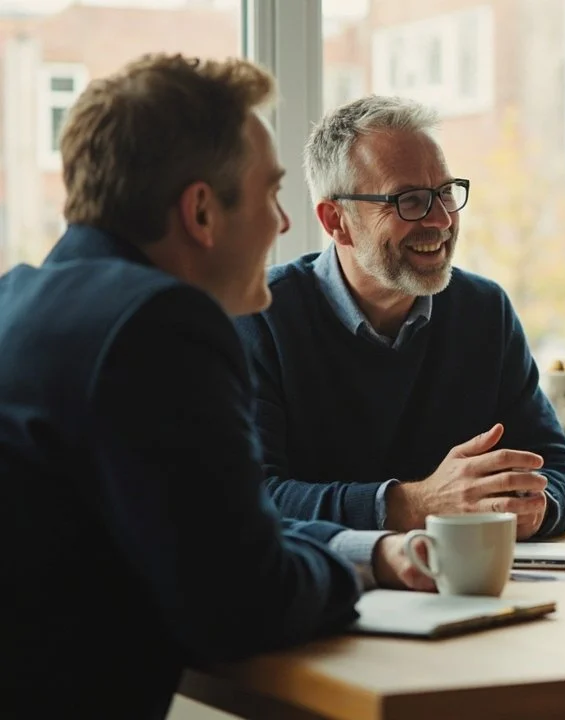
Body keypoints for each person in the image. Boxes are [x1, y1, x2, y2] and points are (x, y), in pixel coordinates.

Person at [0, 55, 434, 718]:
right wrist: (351, 575)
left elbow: (214, 536)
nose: (284, 224)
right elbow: (243, 603)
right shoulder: (159, 326)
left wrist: (367, 550)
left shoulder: (19, 301)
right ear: (201, 212)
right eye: (269, 193)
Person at [234, 95, 565, 540]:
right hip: (332, 593)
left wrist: (534, 505)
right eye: (409, 200)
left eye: (445, 192)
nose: (441, 220)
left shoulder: (484, 311)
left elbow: (563, 470)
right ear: (336, 220)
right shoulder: (259, 317)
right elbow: (255, 497)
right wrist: (413, 505)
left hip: (468, 587)